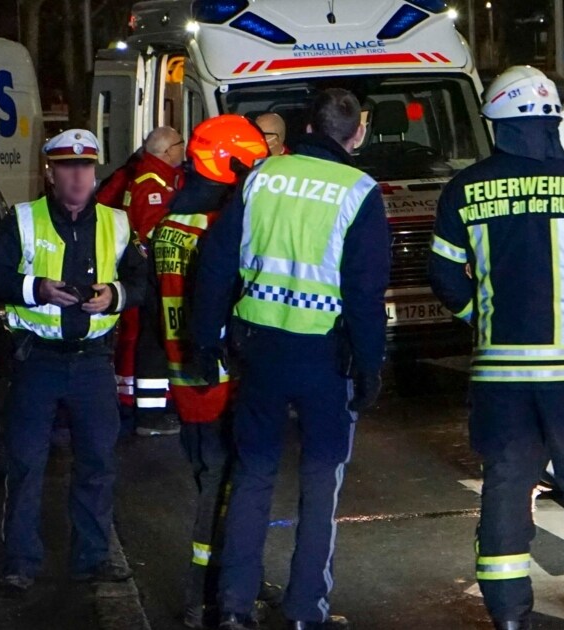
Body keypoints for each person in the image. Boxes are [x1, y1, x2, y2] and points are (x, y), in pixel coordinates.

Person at [428, 66, 564, 630]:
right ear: (551, 119)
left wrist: (482, 320)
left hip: (501, 374)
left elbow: (443, 276)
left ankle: (508, 614)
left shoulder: (464, 188)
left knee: (506, 481)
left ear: (495, 123)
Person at [191, 89, 390, 630]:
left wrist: (205, 340)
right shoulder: (359, 190)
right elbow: (366, 294)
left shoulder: (261, 178)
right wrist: (372, 366)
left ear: (306, 126)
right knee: (320, 482)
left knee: (253, 475)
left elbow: (215, 264)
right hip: (325, 356)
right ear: (357, 132)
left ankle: (233, 605)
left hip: (259, 352)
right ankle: (306, 610)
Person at [0, 129, 148, 594]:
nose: (78, 177)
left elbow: (142, 283)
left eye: (86, 167)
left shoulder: (117, 222)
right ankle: (18, 563)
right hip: (37, 361)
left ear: (95, 172)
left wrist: (115, 296)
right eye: (68, 168)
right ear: (51, 174)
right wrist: (38, 289)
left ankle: (91, 559)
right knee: (26, 463)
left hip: (93, 363)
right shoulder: (23, 219)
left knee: (97, 463)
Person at [152, 115, 282, 628]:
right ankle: (205, 594)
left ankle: (242, 575)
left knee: (220, 481)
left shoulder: (172, 223)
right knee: (225, 488)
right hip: (219, 376)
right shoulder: (216, 225)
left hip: (186, 375)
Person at [117, 126, 185, 436]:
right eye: (180, 144)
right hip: (154, 275)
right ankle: (151, 415)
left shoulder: (156, 177)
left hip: (149, 275)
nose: (185, 149)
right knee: (153, 342)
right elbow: (153, 233)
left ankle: (152, 410)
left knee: (151, 340)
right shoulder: (152, 183)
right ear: (168, 151)